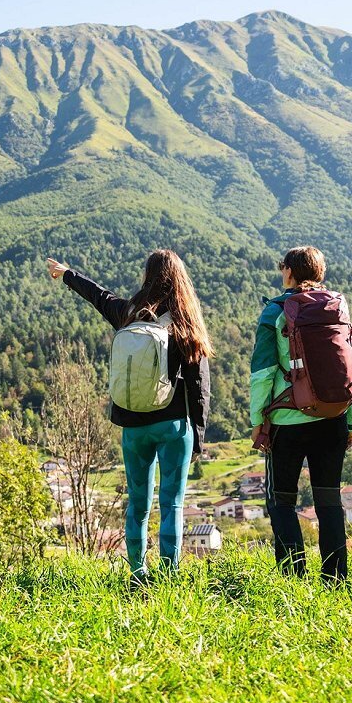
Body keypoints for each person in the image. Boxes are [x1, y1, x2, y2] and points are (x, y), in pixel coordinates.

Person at [47, 251, 211, 586]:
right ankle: (170, 575)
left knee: (138, 503)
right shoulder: (185, 322)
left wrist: (68, 274)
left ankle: (137, 573)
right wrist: (198, 431)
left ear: (147, 276)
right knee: (172, 504)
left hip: (133, 424)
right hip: (174, 425)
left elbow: (99, 295)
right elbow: (199, 386)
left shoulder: (128, 314)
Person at [249, 246, 352, 583]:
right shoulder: (336, 307)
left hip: (287, 422)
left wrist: (257, 422)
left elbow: (262, 373)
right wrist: (348, 420)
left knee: (281, 502)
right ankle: (335, 579)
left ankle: (294, 580)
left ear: (289, 273)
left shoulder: (275, 312)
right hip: (333, 418)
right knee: (329, 500)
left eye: (283, 269)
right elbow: (345, 368)